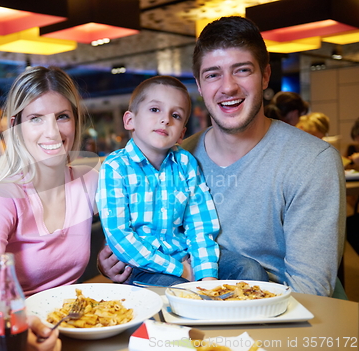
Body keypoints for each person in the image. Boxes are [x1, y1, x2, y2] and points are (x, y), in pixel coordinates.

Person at [99, 16, 345, 297]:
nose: (227, 87)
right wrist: (117, 262)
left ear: (265, 76)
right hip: (183, 303)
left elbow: (310, 293)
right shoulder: (177, 156)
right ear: (200, 86)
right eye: (213, 74)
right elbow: (134, 233)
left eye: (241, 70)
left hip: (268, 321)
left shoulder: (313, 161)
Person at [0, 66, 99, 350]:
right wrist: (9, 325)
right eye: (36, 119)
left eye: (62, 117)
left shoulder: (90, 181)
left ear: (75, 121)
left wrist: (113, 253)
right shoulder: (5, 196)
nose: (52, 132)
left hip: (61, 325)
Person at [96, 76, 268, 287]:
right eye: (154, 110)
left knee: (249, 270)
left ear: (181, 134)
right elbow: (120, 237)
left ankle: (235, 316)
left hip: (186, 255)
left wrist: (207, 274)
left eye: (175, 115)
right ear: (130, 120)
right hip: (141, 267)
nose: (165, 119)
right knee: (175, 291)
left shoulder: (186, 163)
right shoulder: (115, 167)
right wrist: (181, 270)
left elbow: (200, 224)